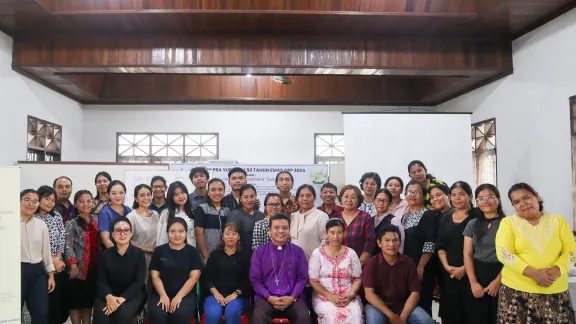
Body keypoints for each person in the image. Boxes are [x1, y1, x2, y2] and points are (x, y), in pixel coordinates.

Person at [496, 183, 576, 323]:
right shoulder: (508, 223)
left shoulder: (558, 221)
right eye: (516, 202)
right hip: (517, 292)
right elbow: (504, 253)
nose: (523, 203)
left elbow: (571, 252)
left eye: (526, 197)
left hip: (554, 289)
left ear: (537, 197)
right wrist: (534, 274)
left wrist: (555, 271)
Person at [363, 225, 435, 324]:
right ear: (379, 243)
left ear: (400, 243)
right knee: (374, 321)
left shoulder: (408, 262)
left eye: (395, 240)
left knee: (427, 321)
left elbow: (415, 293)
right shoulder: (371, 263)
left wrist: (403, 317)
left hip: (403, 305)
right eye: (387, 240)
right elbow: (369, 294)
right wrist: (391, 316)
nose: (391, 244)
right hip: (378, 306)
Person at [250, 213, 311, 324]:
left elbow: (302, 278)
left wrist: (292, 297)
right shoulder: (259, 252)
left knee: (303, 316)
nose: (281, 231)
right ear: (269, 231)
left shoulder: (298, 251)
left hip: (293, 298)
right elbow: (255, 280)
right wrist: (268, 297)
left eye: (284, 228)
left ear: (289, 230)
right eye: (276, 228)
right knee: (258, 316)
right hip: (266, 298)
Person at [463, 184, 505, 324]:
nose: (485, 201)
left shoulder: (508, 223)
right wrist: (473, 282)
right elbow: (467, 254)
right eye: (480, 198)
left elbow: (514, 256)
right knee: (477, 317)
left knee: (498, 317)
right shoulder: (473, 224)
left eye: (490, 197)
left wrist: (498, 281)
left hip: (502, 272)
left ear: (498, 199)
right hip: (477, 273)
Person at [148, 218, 203, 324]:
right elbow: (155, 276)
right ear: (167, 232)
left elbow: (194, 278)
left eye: (181, 231)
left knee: (179, 313)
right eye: (172, 231)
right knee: (158, 314)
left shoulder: (193, 252)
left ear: (186, 232)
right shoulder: (159, 251)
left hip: (185, 294)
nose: (177, 235)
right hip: (161, 292)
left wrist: (179, 297)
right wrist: (163, 295)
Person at [308, 219, 363, 324]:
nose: (336, 236)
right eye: (332, 233)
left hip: (348, 297)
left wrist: (351, 295)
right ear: (326, 233)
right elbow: (313, 280)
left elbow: (357, 279)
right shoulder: (317, 253)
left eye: (339, 232)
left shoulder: (351, 253)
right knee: (333, 316)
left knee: (355, 316)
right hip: (324, 297)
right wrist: (329, 295)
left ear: (344, 234)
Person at [93, 217, 147, 324]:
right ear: (112, 234)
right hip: (108, 293)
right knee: (102, 313)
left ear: (131, 233)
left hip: (132, 294)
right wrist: (109, 296)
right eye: (118, 230)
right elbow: (101, 280)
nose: (122, 234)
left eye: (126, 230)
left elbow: (139, 281)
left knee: (123, 314)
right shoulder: (105, 254)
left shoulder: (139, 254)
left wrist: (121, 299)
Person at [436, 181, 476, 323]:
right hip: (449, 274)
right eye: (453, 195)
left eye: (461, 194)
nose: (457, 198)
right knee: (450, 314)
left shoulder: (477, 216)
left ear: (469, 196)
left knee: (470, 314)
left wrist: (464, 269)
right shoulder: (446, 217)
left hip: (472, 274)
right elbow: (440, 245)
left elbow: (482, 248)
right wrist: (446, 266)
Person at [201, 223, 251, 324]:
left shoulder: (245, 256)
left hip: (238, 297)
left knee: (232, 312)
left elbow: (247, 280)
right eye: (227, 233)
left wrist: (235, 294)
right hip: (215, 295)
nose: (230, 236)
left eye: (234, 234)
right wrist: (216, 293)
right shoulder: (214, 255)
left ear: (238, 237)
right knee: (213, 313)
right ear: (223, 236)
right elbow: (206, 278)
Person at [401, 180, 437, 316]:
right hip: (406, 266)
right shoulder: (405, 215)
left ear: (423, 196)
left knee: (422, 303)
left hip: (422, 267)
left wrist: (421, 266)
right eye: (410, 192)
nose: (412, 195)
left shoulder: (428, 215)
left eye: (417, 192)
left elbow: (430, 243)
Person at [64, 190, 100, 324]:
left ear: (93, 202)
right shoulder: (71, 223)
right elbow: (67, 245)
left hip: (94, 268)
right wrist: (73, 265)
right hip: (78, 270)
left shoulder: (97, 219)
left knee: (87, 303)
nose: (86, 204)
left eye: (88, 201)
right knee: (75, 304)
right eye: (81, 201)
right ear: (75, 204)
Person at [21, 189, 55, 324]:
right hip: (15, 271)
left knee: (40, 312)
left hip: (37, 272)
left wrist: (51, 274)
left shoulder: (40, 225)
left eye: (35, 201)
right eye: (27, 200)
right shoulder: (7, 223)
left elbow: (46, 251)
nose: (31, 204)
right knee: (12, 311)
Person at [33, 186, 67, 324]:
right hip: (39, 266)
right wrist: (53, 261)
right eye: (47, 199)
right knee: (41, 307)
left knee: (57, 306)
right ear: (39, 199)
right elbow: (36, 245)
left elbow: (61, 238)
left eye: (53, 200)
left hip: (57, 267)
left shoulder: (56, 216)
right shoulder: (32, 217)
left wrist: (58, 259)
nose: (50, 202)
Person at [331, 185, 375, 264]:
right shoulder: (335, 217)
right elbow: (329, 241)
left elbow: (369, 244)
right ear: (341, 198)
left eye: (353, 197)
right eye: (346, 197)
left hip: (359, 264)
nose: (349, 200)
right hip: (337, 263)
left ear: (358, 200)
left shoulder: (365, 218)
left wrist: (358, 264)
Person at [289, 184, 329, 260]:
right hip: (293, 262)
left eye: (308, 195)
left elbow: (325, 240)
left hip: (314, 261)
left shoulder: (321, 216)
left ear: (314, 198)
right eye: (301, 196)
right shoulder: (293, 216)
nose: (305, 198)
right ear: (297, 199)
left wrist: (316, 259)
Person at [195, 178, 230, 261]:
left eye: (220, 190)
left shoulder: (227, 211)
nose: (217, 193)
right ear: (208, 192)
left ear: (224, 191)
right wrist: (205, 255)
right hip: (207, 255)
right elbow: (199, 234)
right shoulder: (202, 208)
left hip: (224, 254)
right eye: (213, 190)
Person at [126, 184, 158, 273]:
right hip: (139, 258)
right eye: (142, 195)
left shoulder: (156, 214)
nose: (146, 197)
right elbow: (124, 240)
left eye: (148, 194)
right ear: (136, 199)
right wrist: (143, 247)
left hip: (156, 258)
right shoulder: (131, 217)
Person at [227, 184, 265, 255]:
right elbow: (230, 238)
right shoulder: (234, 215)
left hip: (260, 255)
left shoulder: (261, 215)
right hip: (239, 256)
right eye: (245, 197)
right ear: (240, 199)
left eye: (252, 196)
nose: (249, 200)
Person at [156, 181, 195, 246]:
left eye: (182, 192)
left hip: (191, 251)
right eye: (176, 195)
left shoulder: (192, 211)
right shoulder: (166, 213)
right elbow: (162, 239)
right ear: (171, 197)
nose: (180, 196)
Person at [99, 180, 131, 248]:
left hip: (128, 251)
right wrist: (118, 254)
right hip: (112, 252)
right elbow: (106, 239)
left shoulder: (128, 210)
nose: (118, 196)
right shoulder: (104, 212)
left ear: (125, 194)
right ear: (108, 195)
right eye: (114, 193)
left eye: (121, 193)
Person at [373, 188, 404, 254]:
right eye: (378, 200)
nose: (381, 203)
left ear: (390, 203)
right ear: (374, 201)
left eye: (384, 201)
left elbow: (400, 242)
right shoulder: (370, 219)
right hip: (372, 260)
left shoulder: (394, 220)